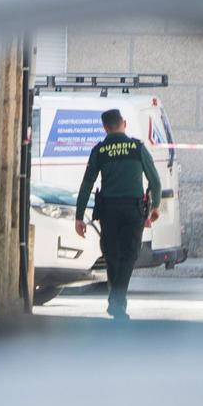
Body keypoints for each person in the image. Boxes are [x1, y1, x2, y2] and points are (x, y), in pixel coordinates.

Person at [75, 108, 162, 320]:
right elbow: (155, 181)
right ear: (124, 123)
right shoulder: (137, 147)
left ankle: (116, 303)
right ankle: (116, 301)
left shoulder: (100, 150)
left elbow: (87, 183)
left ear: (105, 127)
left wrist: (78, 216)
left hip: (109, 211)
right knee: (129, 255)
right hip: (133, 210)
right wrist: (155, 207)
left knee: (112, 256)